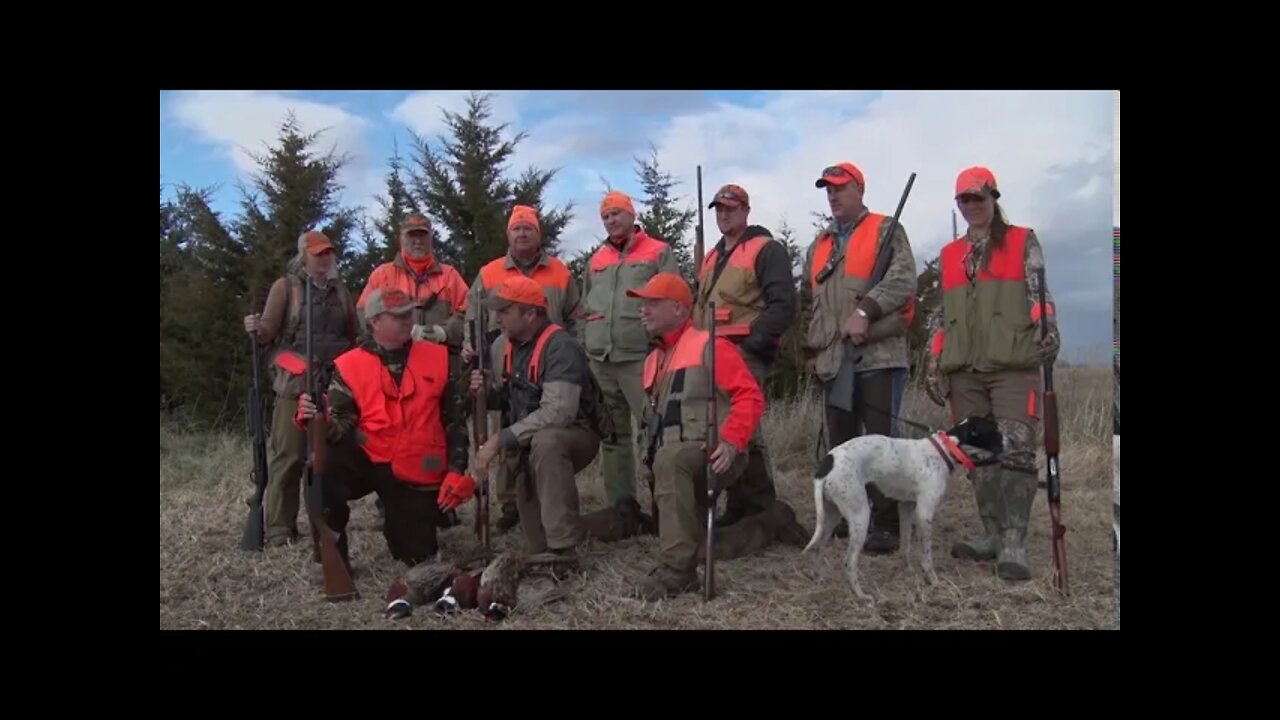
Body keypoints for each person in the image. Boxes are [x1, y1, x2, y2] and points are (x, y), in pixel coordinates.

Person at [629, 273, 807, 601]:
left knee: (672, 470)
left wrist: (730, 441)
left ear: (680, 310)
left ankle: (678, 574)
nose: (644, 310)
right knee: (698, 545)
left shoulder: (710, 346)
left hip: (713, 454)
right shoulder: (653, 360)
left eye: (653, 303)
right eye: (642, 304)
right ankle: (773, 522)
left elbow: (750, 398)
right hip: (673, 465)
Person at [924, 165, 1060, 581]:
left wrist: (1047, 325)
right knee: (979, 455)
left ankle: (1014, 541)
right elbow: (940, 315)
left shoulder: (1022, 240)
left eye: (978, 198)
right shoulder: (950, 254)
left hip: (1013, 363)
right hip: (964, 369)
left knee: (1017, 449)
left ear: (993, 198)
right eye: (964, 199)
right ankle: (992, 535)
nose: (971, 206)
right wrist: (933, 362)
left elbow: (1040, 292)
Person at [295, 287, 475, 569]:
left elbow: (455, 422)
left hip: (415, 470)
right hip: (369, 459)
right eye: (398, 316)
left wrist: (455, 470)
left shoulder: (438, 358)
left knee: (418, 557)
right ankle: (332, 558)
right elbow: (341, 425)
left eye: (409, 313)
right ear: (375, 321)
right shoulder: (349, 365)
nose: (408, 320)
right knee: (320, 466)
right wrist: (321, 422)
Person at [801, 162, 917, 554]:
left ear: (859, 190)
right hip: (835, 360)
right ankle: (853, 517)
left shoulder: (886, 229)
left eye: (839, 188)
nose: (832, 195)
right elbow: (812, 303)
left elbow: (903, 281)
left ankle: (887, 525)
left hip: (879, 356)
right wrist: (812, 352)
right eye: (827, 190)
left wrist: (866, 311)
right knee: (843, 445)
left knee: (882, 446)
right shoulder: (818, 245)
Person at [469, 276, 612, 567]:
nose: (497, 318)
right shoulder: (503, 346)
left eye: (505, 311)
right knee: (536, 542)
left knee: (547, 441)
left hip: (574, 435)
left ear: (530, 314)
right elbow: (511, 397)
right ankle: (619, 521)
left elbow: (558, 413)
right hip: (529, 440)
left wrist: (499, 440)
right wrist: (485, 391)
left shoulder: (561, 347)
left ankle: (563, 553)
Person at [463, 205, 582, 534]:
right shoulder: (489, 275)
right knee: (513, 422)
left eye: (528, 228)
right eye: (517, 228)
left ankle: (565, 538)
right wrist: (482, 378)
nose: (522, 233)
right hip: (510, 362)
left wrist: (568, 351)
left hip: (553, 371)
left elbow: (577, 316)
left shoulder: (560, 273)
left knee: (536, 438)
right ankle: (510, 502)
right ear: (508, 234)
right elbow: (473, 320)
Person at [243, 230, 357, 548]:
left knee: (326, 455)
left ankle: (326, 519)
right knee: (289, 456)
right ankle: (280, 527)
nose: (324, 258)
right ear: (303, 255)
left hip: (333, 383)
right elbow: (268, 331)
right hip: (295, 383)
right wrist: (256, 328)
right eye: (318, 253)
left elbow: (353, 334)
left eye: (328, 253)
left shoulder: (341, 292)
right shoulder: (287, 288)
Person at [692, 183, 796, 526]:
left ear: (746, 211)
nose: (724, 214)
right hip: (711, 354)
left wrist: (753, 343)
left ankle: (756, 505)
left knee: (740, 426)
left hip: (742, 352)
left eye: (730, 208)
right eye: (719, 209)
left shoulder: (766, 249)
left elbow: (783, 305)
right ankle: (748, 505)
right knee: (734, 427)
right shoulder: (712, 256)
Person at [357, 214, 471, 526]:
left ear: (431, 237)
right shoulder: (382, 276)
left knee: (442, 431)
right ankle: (390, 501)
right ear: (401, 238)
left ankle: (443, 501)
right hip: (393, 368)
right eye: (411, 235)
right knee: (394, 432)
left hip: (439, 368)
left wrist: (443, 332)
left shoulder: (449, 276)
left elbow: (469, 313)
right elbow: (364, 317)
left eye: (422, 234)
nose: (417, 241)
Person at [581, 190, 680, 519]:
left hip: (641, 356)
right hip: (601, 359)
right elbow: (586, 306)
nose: (611, 221)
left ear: (631, 215)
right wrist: (587, 342)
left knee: (653, 431)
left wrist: (664, 345)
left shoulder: (658, 252)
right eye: (606, 216)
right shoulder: (595, 260)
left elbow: (673, 297)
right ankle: (622, 508)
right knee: (613, 434)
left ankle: (663, 505)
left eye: (616, 214)